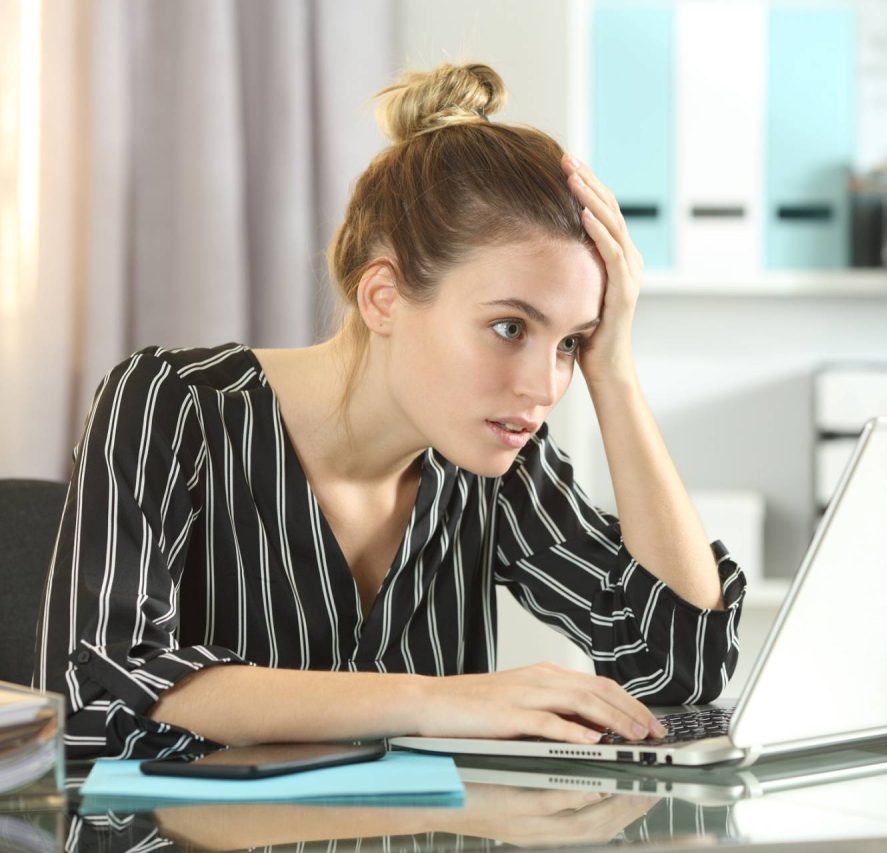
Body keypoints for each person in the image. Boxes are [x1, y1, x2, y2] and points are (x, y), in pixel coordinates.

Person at [32, 63, 747, 759]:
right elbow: (95, 699)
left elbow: (681, 671)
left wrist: (614, 372)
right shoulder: (172, 405)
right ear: (383, 298)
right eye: (509, 327)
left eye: (571, 343)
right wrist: (439, 700)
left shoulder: (500, 459)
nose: (543, 385)